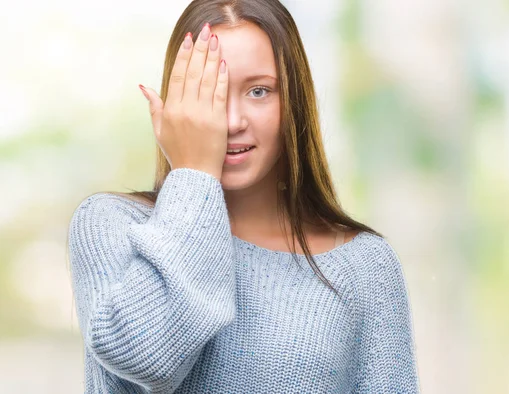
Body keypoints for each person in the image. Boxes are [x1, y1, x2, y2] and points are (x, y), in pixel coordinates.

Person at [67, 0, 421, 392]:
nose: (232, 121)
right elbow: (149, 358)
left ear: (294, 103)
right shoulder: (112, 225)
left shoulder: (364, 266)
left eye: (258, 91)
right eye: (210, 92)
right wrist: (194, 174)